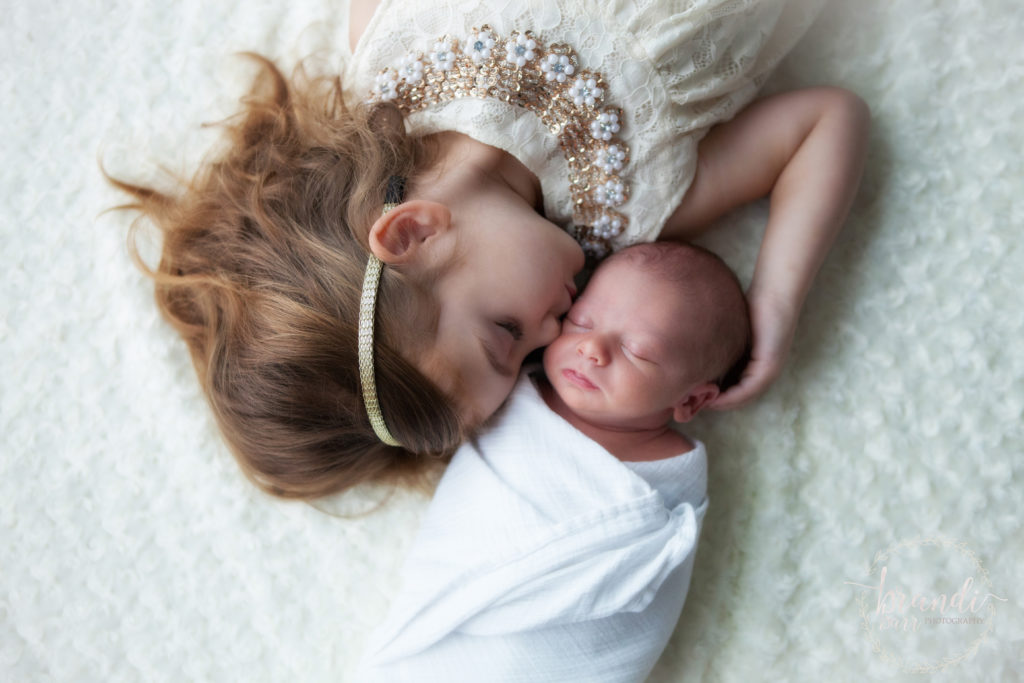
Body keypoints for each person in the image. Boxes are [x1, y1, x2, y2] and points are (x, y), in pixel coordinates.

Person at [106, 0, 869, 499]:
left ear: (413, 232)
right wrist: (772, 302)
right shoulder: (634, 201)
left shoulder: (391, 37)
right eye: (530, 361)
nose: (555, 333)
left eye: (507, 334)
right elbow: (823, 122)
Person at [355, 241, 749, 681]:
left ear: (692, 399)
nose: (592, 348)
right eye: (581, 322)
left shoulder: (666, 479)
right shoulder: (512, 389)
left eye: (639, 351)